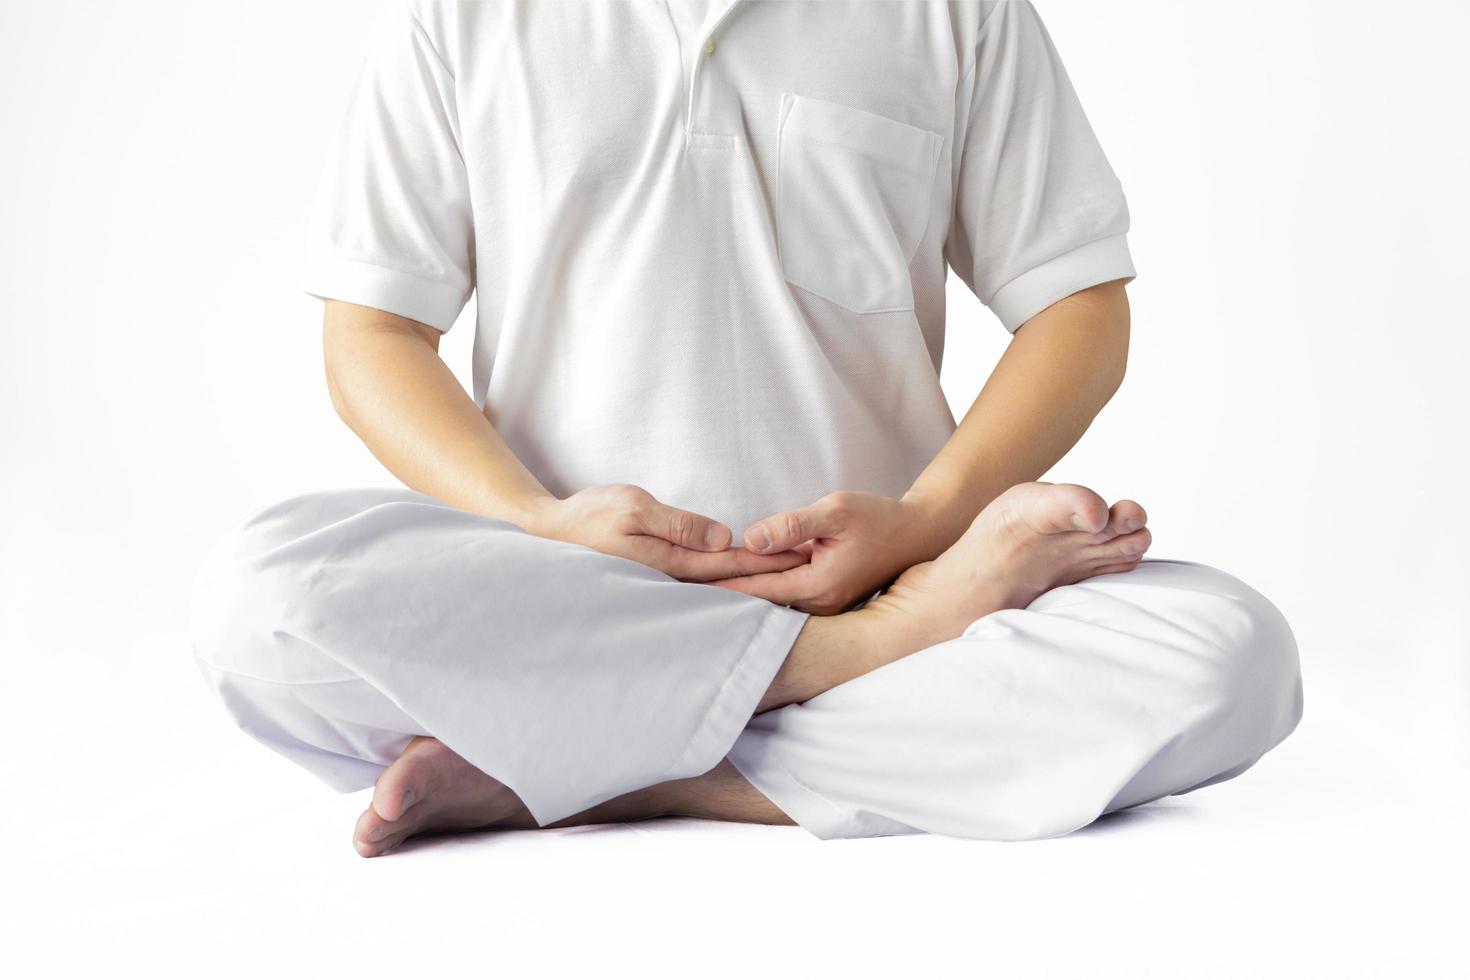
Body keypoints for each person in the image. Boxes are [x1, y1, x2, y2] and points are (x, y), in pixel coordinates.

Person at [191, 0, 1302, 857]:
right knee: (263, 604)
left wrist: (924, 523)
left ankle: (609, 766)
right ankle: (845, 666)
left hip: (886, 570)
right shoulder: (464, 14)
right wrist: (538, 520)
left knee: (1233, 654)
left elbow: (1078, 307)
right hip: (554, 603)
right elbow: (374, 334)